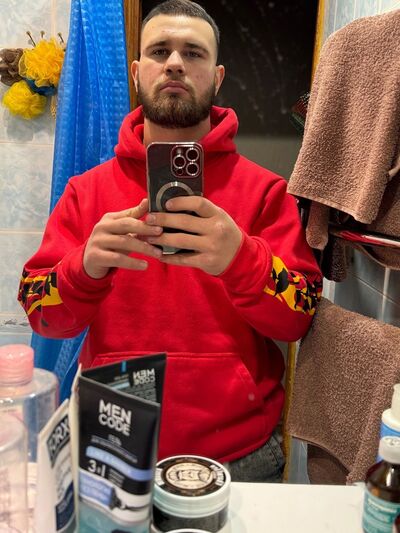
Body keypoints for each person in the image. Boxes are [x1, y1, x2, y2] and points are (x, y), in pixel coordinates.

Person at [18, 0, 322, 482]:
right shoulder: (86, 192)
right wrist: (84, 268)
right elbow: (40, 313)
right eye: (160, 51)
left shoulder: (266, 192)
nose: (175, 63)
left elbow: (298, 318)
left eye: (193, 53)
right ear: (137, 72)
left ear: (217, 78)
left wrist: (241, 259)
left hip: (240, 454)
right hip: (113, 441)